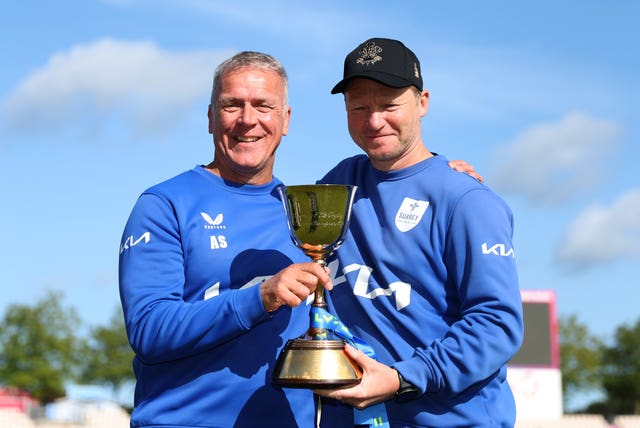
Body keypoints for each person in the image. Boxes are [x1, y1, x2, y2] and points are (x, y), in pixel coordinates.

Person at [314, 38, 524, 427]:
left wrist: (400, 378)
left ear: (423, 102)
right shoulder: (338, 186)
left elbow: (497, 324)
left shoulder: (467, 200)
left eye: (389, 105)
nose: (374, 120)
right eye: (359, 107)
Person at [118, 51, 332, 428]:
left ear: (286, 120)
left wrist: (448, 173)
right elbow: (149, 329)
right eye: (233, 105)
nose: (248, 120)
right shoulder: (164, 204)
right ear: (211, 117)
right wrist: (261, 296)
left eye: (263, 106)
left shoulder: (308, 213)